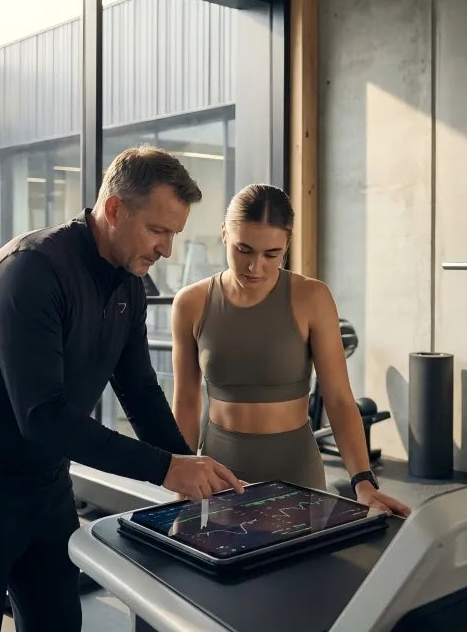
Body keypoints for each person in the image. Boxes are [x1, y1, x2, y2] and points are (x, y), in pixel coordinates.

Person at [0, 146, 244, 632]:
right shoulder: (31, 270)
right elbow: (41, 416)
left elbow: (139, 389)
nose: (167, 248)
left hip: (44, 487)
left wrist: (189, 468)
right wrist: (165, 469)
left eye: (174, 233)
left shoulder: (129, 282)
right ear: (114, 210)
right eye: (158, 230)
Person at [171, 183, 410, 517]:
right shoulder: (190, 303)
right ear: (224, 234)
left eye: (272, 254)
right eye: (244, 250)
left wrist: (363, 482)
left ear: (287, 244)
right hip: (219, 474)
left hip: (296, 473)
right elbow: (186, 401)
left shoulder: (312, 298)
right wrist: (181, 484)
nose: (255, 267)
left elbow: (339, 399)